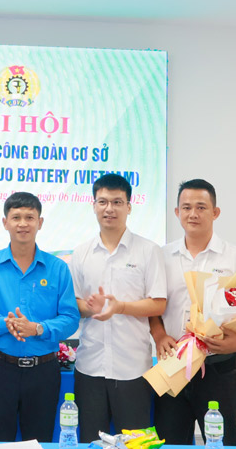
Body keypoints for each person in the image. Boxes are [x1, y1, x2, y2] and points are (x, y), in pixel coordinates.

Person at [148, 179, 236, 446]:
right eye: (186, 207)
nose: (193, 214)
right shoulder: (161, 256)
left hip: (218, 368)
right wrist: (160, 335)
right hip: (173, 364)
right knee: (170, 440)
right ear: (177, 212)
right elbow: (153, 306)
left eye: (201, 207)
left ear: (215, 212)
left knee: (222, 440)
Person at [0, 192, 80, 442]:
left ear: (40, 222)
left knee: (39, 441)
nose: (23, 223)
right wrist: (4, 324)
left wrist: (38, 328)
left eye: (30, 217)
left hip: (43, 372)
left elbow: (71, 318)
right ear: (5, 222)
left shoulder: (57, 268)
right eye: (16, 217)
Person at [69, 174, 167, 441]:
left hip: (133, 369)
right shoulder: (81, 253)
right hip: (90, 367)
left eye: (116, 202)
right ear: (93, 205)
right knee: (91, 442)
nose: (109, 208)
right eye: (102, 201)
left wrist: (119, 306)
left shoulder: (148, 251)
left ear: (129, 206)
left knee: (135, 444)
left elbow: (158, 302)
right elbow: (74, 303)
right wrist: (90, 309)